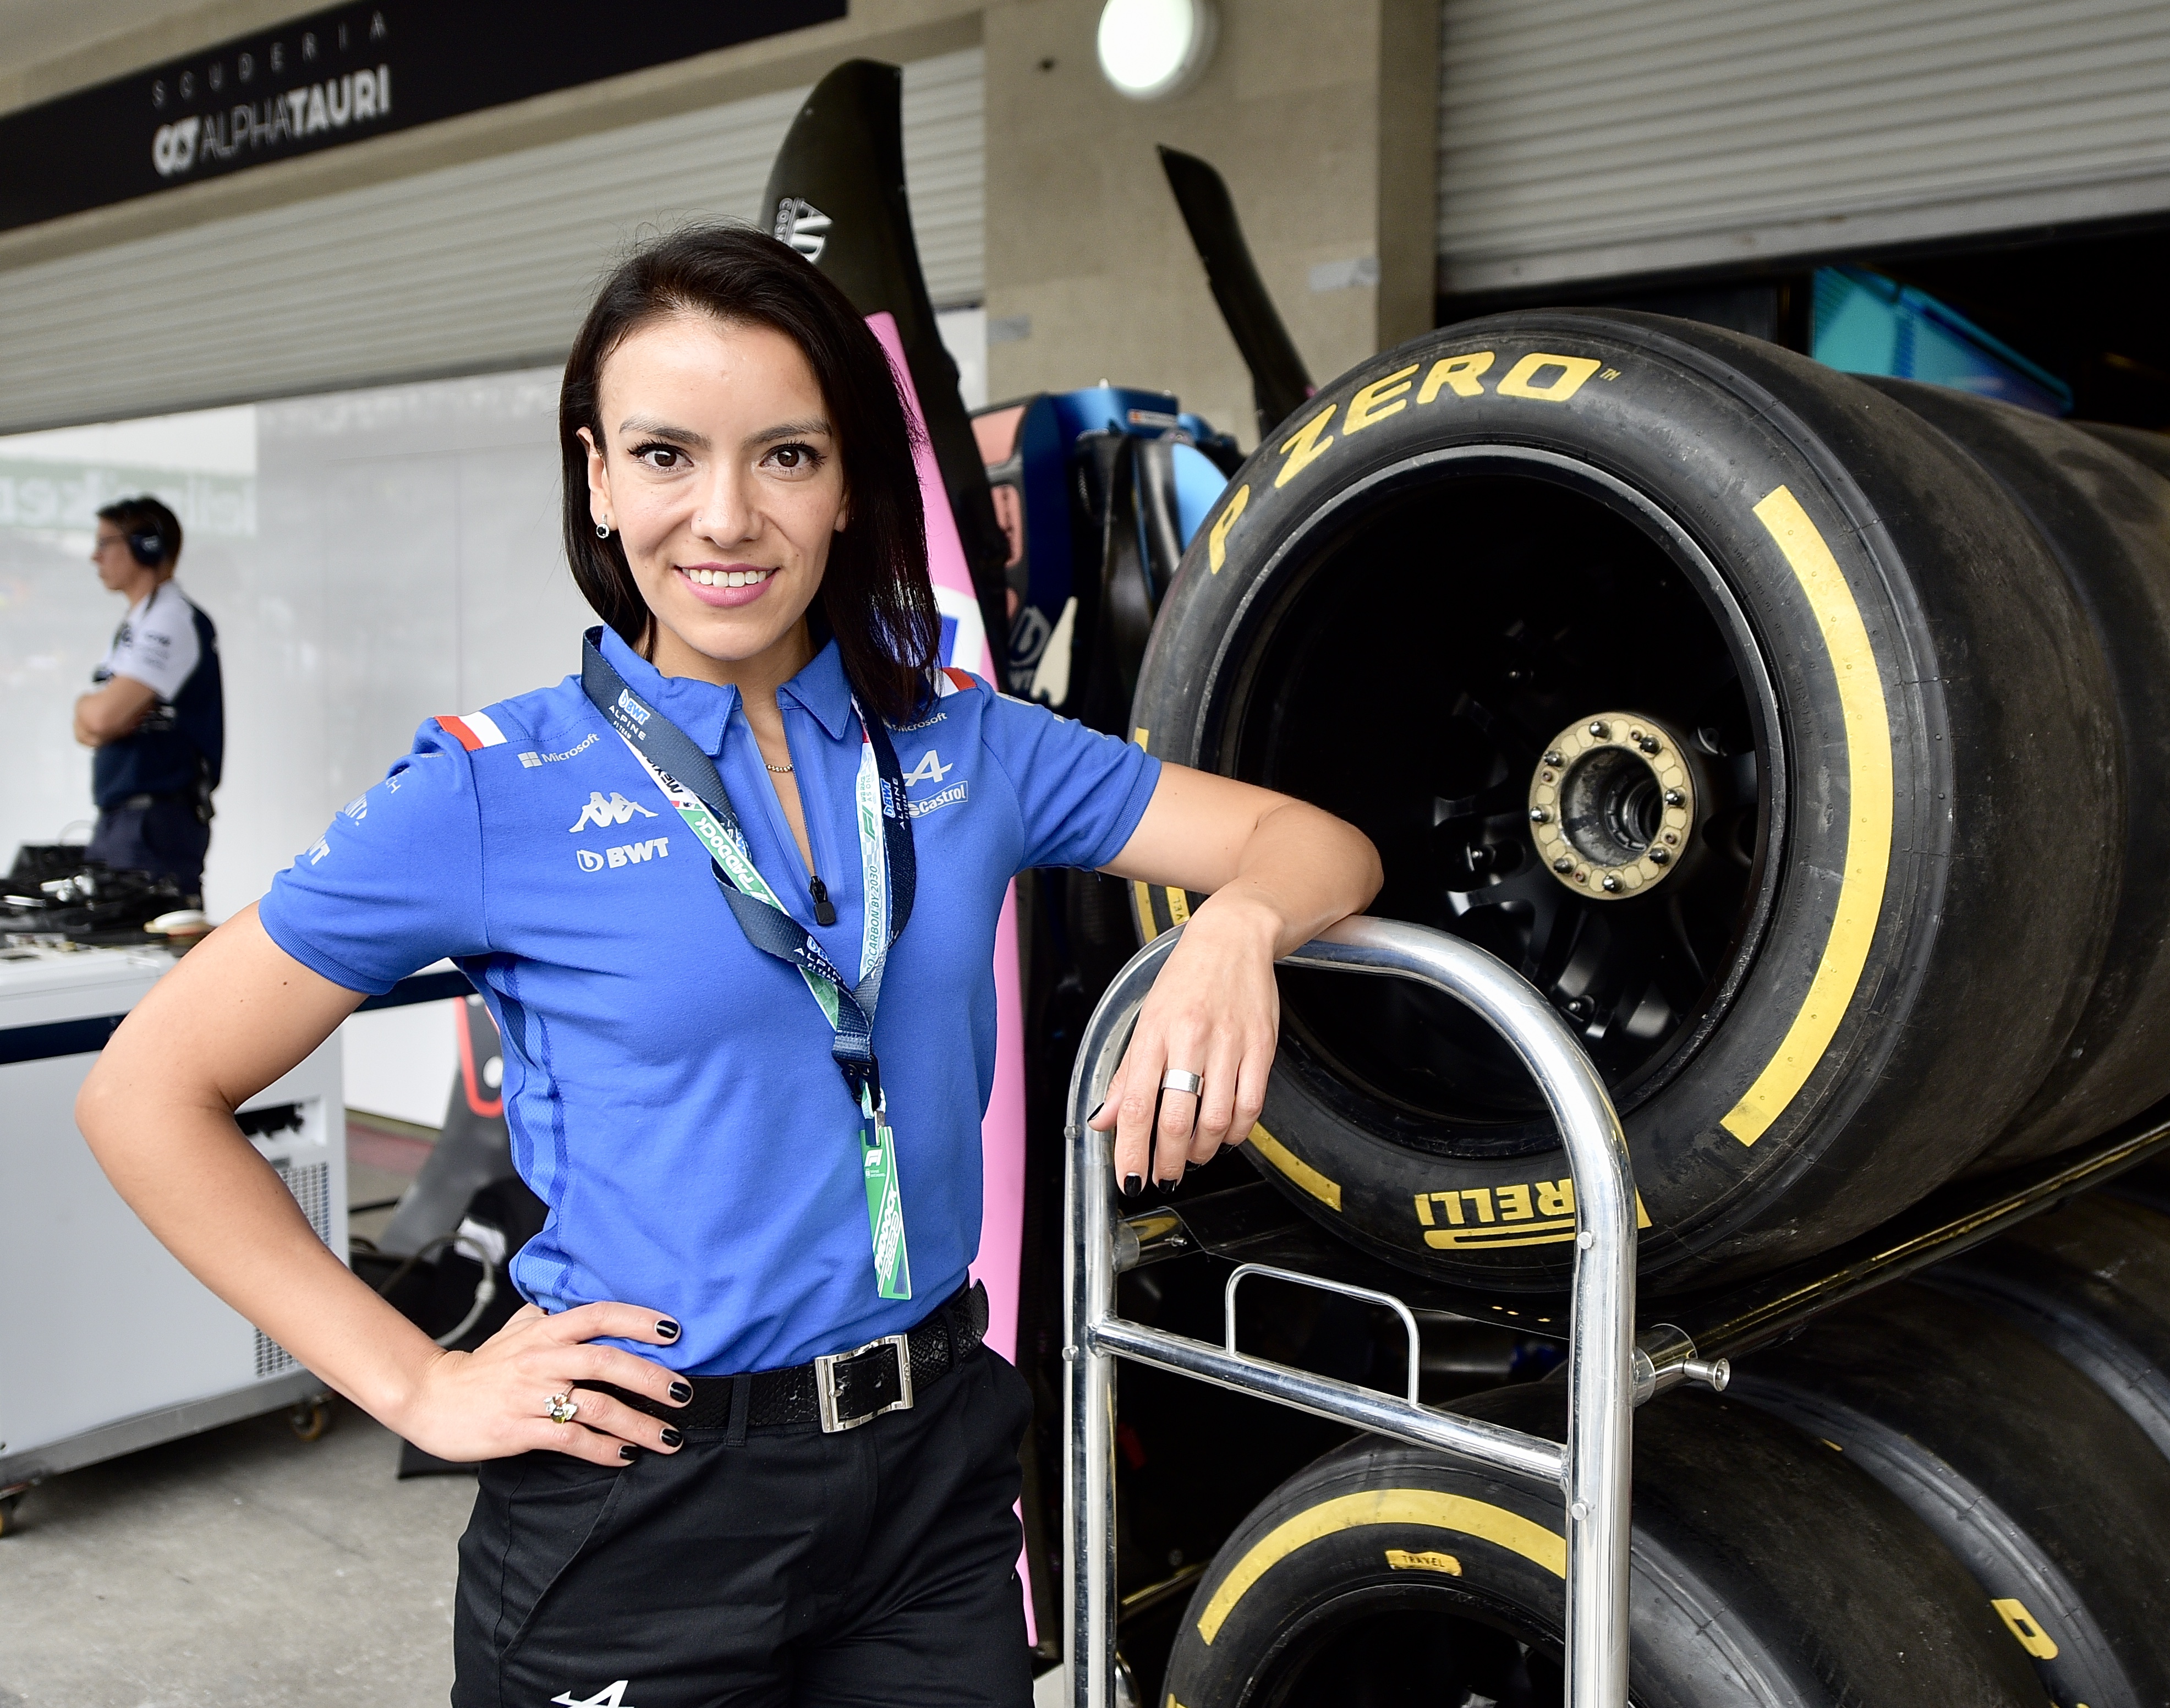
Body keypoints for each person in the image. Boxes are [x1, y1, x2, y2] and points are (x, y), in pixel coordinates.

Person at [75, 227, 1380, 1707]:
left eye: (785, 455)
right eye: (665, 455)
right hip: (644, 1496)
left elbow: (1314, 843)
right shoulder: (496, 788)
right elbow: (148, 1092)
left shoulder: (966, 746)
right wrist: (414, 1382)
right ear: (597, 479)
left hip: (932, 1474)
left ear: (845, 485)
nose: (725, 516)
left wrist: (1234, 928)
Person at [73, 495, 223, 902]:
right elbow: (90, 726)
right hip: (129, 819)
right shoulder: (139, 621)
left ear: (146, 545)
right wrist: (92, 713)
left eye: (105, 543)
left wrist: (90, 709)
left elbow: (100, 719)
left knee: (146, 950)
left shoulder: (171, 620)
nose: (95, 557)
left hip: (152, 823)